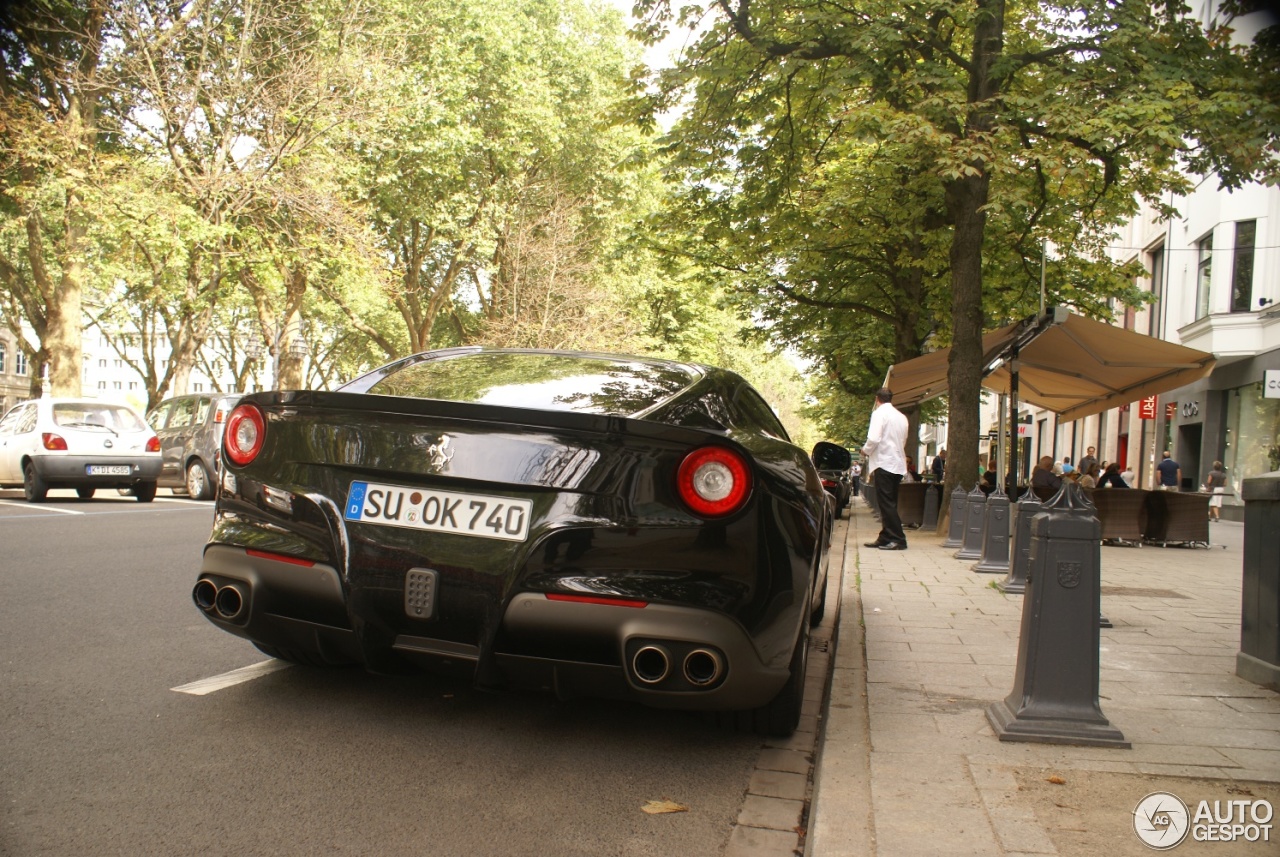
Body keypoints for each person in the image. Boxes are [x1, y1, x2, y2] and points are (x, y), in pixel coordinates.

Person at [861, 387, 909, 551]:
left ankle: (898, 539)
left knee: (886, 503)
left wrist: (865, 450)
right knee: (890, 502)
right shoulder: (901, 417)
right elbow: (903, 440)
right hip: (897, 463)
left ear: (877, 399)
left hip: (884, 463)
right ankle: (886, 536)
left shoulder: (879, 414)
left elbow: (874, 438)